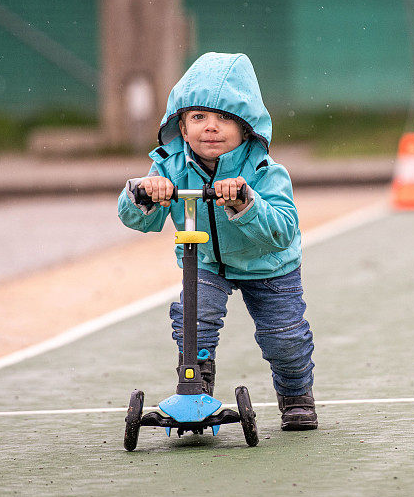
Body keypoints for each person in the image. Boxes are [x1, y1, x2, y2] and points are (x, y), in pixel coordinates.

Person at [117, 52, 316, 430]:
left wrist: (245, 202)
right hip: (206, 260)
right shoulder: (170, 166)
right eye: (199, 117)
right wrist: (144, 193)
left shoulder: (264, 171)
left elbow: (284, 229)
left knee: (284, 338)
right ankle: (196, 390)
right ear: (181, 124)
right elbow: (138, 220)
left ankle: (295, 395)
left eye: (225, 118)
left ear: (247, 127)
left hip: (269, 265)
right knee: (194, 320)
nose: (211, 127)